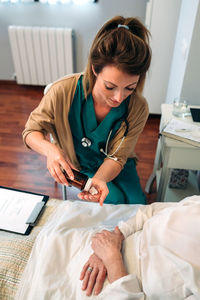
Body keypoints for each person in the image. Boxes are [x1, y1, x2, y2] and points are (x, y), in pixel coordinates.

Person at [22, 15, 152, 205]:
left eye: (130, 88)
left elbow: (118, 157)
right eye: (110, 86)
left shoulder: (138, 108)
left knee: (136, 203)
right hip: (81, 165)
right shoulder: (63, 90)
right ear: (94, 69)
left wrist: (100, 179)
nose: (118, 98)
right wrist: (50, 150)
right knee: (113, 200)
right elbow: (30, 132)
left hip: (118, 164)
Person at [80, 196, 200, 299]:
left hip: (114, 284)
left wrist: (111, 258)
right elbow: (150, 212)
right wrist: (115, 237)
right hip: (109, 243)